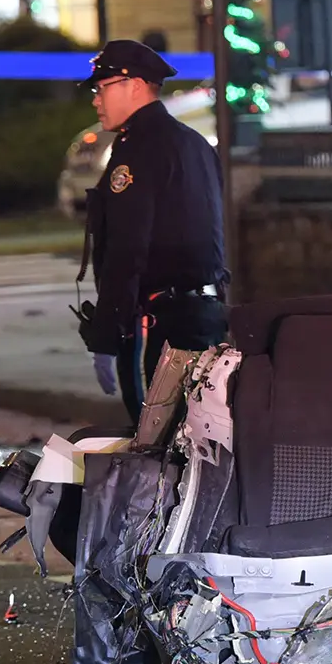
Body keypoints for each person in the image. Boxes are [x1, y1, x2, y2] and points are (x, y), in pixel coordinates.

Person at [76, 39, 229, 422]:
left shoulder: (138, 150)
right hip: (208, 314)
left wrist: (108, 336)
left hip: (163, 324)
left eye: (102, 88)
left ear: (134, 85)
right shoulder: (194, 143)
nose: (96, 99)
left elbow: (128, 248)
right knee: (200, 440)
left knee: (156, 445)